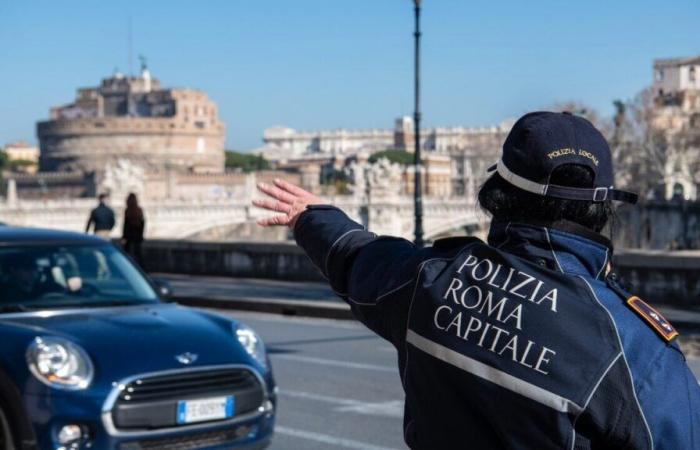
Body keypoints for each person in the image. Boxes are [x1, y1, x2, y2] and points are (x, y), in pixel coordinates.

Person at [254, 111, 700, 449]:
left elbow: (355, 255)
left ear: (497, 194)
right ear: (604, 208)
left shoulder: (426, 282)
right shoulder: (634, 349)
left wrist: (310, 217)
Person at [121, 193, 145, 267]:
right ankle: (141, 267)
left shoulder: (128, 210)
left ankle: (126, 266)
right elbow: (142, 223)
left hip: (129, 234)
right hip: (137, 234)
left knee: (127, 252)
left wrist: (124, 236)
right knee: (138, 253)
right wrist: (141, 234)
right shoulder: (139, 210)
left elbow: (126, 224)